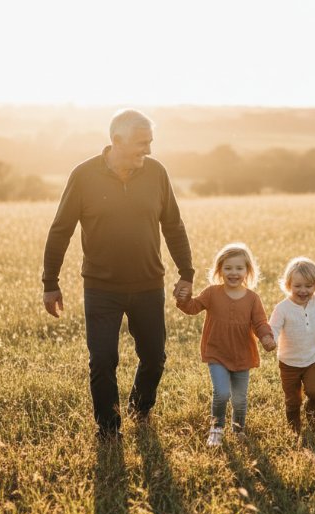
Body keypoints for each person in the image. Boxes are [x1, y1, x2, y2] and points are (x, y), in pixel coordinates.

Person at [42, 109, 195, 442]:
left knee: (154, 357)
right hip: (101, 288)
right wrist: (50, 284)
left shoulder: (157, 173)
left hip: (148, 285)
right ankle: (108, 430)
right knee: (102, 360)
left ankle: (140, 410)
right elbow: (60, 230)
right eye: (142, 143)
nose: (149, 150)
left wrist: (186, 273)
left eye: (150, 142)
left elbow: (173, 225)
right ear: (117, 141)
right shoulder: (83, 176)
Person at [176, 243, 276, 447]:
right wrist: (183, 299)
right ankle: (216, 428)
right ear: (219, 270)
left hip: (242, 355)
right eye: (228, 268)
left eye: (239, 268)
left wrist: (266, 337)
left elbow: (260, 323)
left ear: (247, 271)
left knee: (239, 399)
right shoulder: (212, 293)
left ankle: (238, 429)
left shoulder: (252, 298)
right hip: (217, 352)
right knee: (221, 393)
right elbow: (193, 307)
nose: (233, 273)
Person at [268, 257, 315, 434]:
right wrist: (271, 339)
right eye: (297, 286)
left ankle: (312, 411)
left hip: (312, 359)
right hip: (288, 362)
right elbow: (274, 328)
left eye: (308, 286)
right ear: (288, 285)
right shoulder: (283, 308)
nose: (303, 290)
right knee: (293, 399)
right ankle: (294, 426)